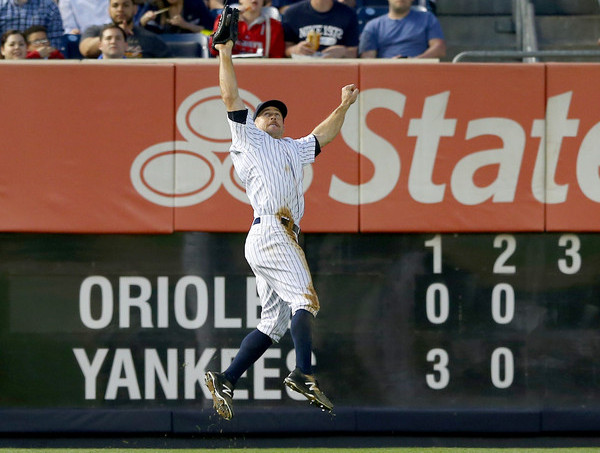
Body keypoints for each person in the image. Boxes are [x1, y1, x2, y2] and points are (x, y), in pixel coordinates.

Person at [204, 33, 359, 421]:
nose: (273, 116)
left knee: (272, 324)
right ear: (254, 123)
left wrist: (343, 106)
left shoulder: (292, 147)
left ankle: (227, 378)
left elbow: (324, 134)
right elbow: (229, 97)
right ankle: (304, 373)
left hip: (276, 234)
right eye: (266, 113)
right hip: (272, 229)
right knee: (305, 301)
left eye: (278, 114)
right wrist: (225, 54)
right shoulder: (249, 139)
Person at [79, 0, 172, 58]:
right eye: (115, 5)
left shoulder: (149, 38)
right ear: (109, 10)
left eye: (126, 5)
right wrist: (115, 32)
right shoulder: (95, 31)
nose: (120, 9)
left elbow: (170, 67)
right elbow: (86, 50)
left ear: (135, 9)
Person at [359, 0, 445, 59]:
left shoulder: (428, 19)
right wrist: (389, 64)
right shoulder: (372, 26)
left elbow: (439, 49)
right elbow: (367, 58)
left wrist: (415, 61)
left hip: (420, 71)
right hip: (385, 74)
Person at [282, 0, 359, 58]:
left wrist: (344, 52)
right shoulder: (292, 13)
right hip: (303, 67)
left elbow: (353, 52)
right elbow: (285, 49)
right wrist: (295, 49)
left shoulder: (348, 14)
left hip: (335, 68)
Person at [209, 0, 285, 58]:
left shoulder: (274, 26)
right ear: (240, 0)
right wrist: (229, 21)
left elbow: (277, 57)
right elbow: (214, 50)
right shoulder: (224, 20)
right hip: (230, 67)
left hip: (259, 71)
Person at [138, 0, 213, 34]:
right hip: (160, 52)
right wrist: (143, 20)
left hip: (190, 50)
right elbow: (134, 29)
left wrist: (187, 25)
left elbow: (211, 30)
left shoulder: (196, 4)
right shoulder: (153, 5)